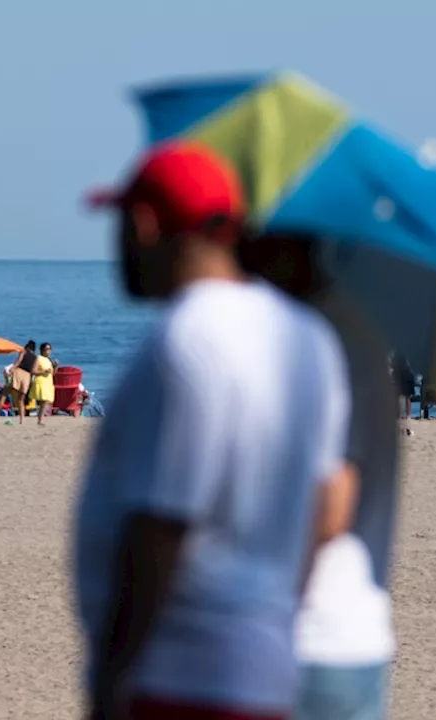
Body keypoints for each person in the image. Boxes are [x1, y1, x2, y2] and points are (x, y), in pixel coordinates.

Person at [76, 141, 353, 720]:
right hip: (264, 663)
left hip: (179, 676)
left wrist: (110, 679)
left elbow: (160, 527)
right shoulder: (309, 337)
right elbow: (327, 503)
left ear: (145, 225)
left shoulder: (186, 341)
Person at [242, 232, 399, 720]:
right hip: (356, 621)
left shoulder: (314, 339)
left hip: (308, 631)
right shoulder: (364, 339)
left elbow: (332, 498)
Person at [8, 340, 38, 424]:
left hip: (19, 373)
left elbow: (18, 362)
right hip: (27, 377)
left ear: (27, 347)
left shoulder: (23, 352)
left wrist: (12, 368)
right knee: (22, 399)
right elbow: (33, 371)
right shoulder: (35, 357)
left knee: (6, 393)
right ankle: (22, 420)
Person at [30, 343, 55, 424]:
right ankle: (40, 419)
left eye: (49, 349)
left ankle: (40, 418)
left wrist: (55, 366)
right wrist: (44, 371)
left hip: (48, 382)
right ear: (42, 350)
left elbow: (53, 373)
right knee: (44, 401)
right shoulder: (39, 358)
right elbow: (33, 371)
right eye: (46, 349)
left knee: (46, 401)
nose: (48, 351)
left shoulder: (48, 360)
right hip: (41, 381)